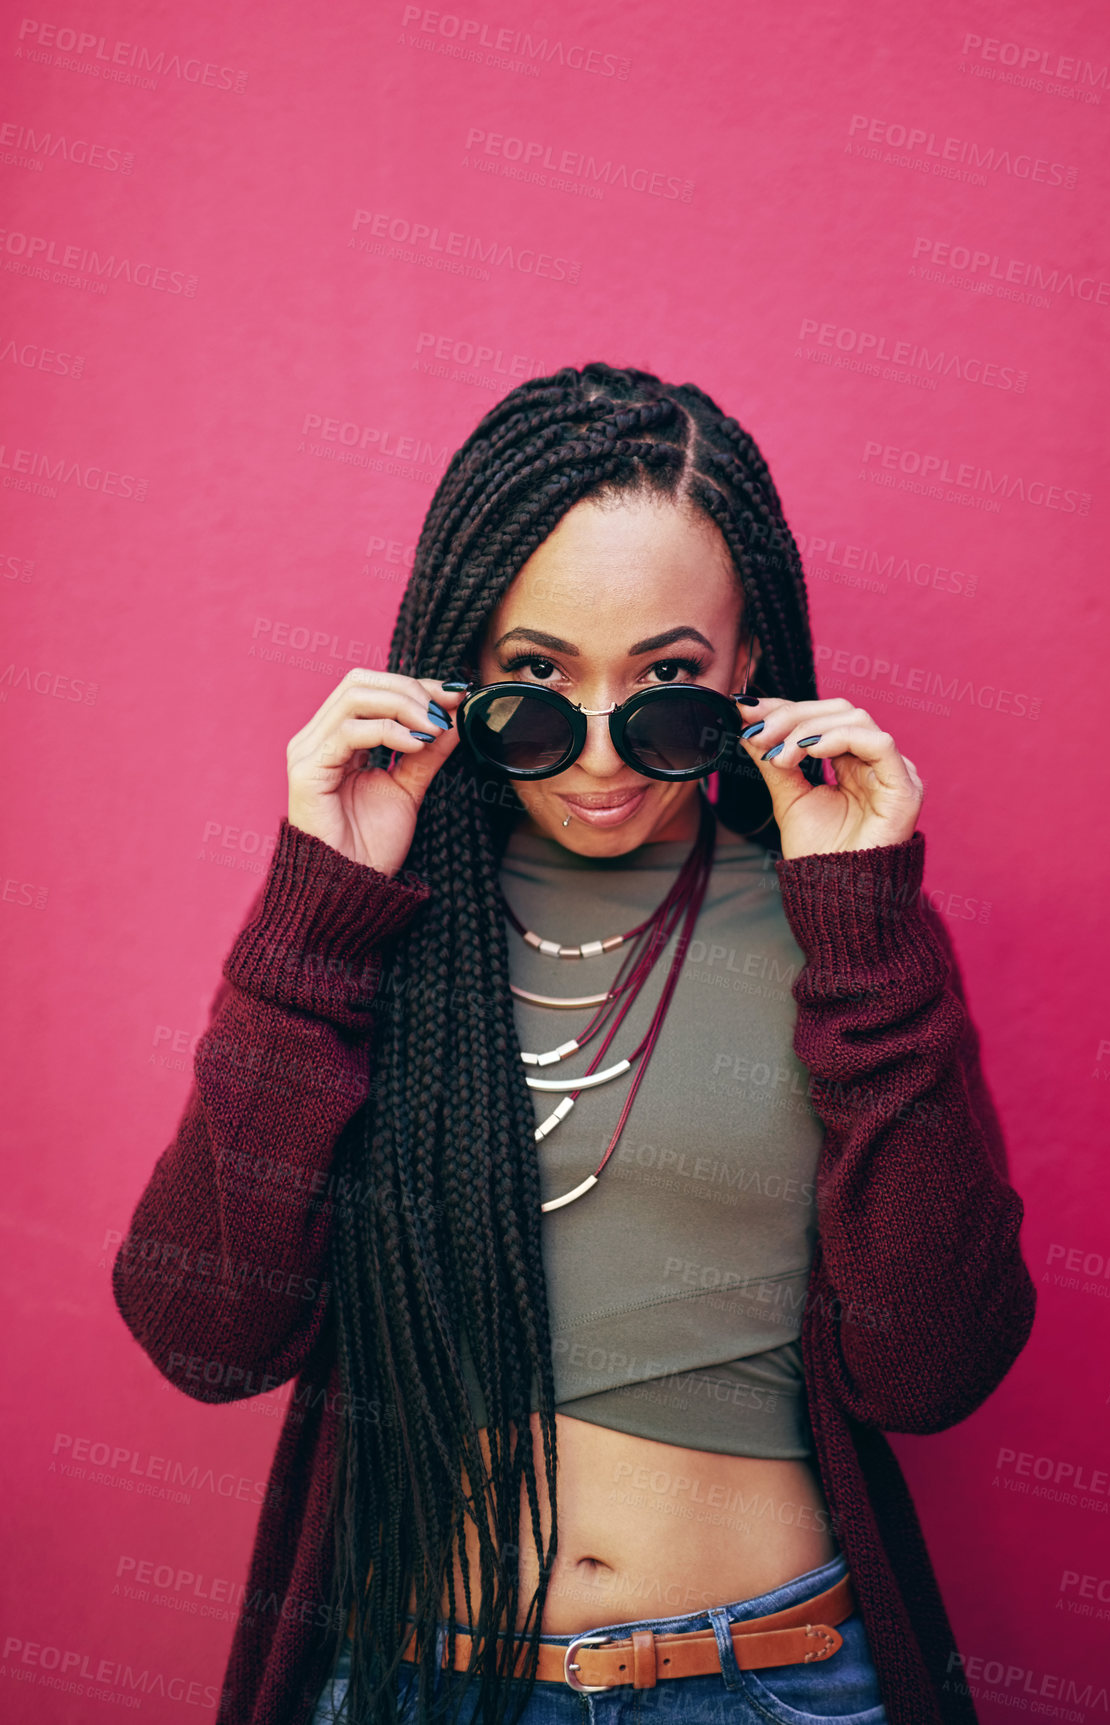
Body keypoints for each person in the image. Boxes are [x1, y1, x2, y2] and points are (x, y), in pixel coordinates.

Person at [112, 363, 1036, 1725]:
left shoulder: (838, 927)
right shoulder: (381, 923)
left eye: (665, 682)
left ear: (746, 673)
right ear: (459, 670)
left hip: (762, 1683)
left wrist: (859, 923)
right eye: (535, 679)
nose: (599, 757)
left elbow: (933, 1365)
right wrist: (320, 907)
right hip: (422, 1681)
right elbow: (205, 1333)